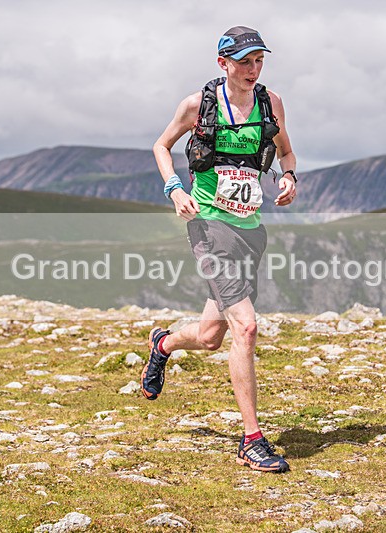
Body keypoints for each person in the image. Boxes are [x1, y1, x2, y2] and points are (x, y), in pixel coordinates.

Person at [144, 26, 298, 473]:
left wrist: (288, 179)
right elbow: (161, 145)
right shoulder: (198, 105)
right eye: (245, 61)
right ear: (223, 63)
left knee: (212, 337)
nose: (253, 69)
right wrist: (174, 189)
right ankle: (252, 440)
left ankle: (164, 343)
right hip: (209, 226)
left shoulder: (271, 103)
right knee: (245, 328)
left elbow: (286, 153)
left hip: (250, 229)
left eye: (259, 61)